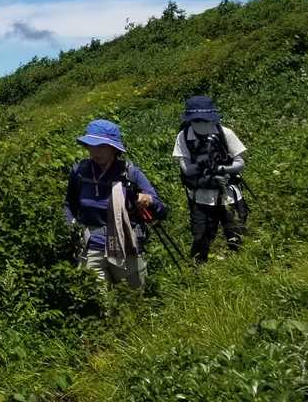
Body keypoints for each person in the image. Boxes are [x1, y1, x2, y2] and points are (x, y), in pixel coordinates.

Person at [64, 119, 160, 289]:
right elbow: (69, 204)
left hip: (126, 247)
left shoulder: (129, 173)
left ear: (114, 149)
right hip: (92, 247)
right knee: (96, 300)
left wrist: (148, 200)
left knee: (133, 298)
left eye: (101, 146)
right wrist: (70, 225)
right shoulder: (80, 171)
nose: (95, 151)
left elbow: (160, 207)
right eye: (91, 145)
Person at [173, 95, 247, 262]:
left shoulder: (224, 133)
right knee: (200, 238)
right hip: (201, 197)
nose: (201, 123)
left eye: (204, 119)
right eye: (197, 120)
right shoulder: (183, 137)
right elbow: (186, 170)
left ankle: (242, 265)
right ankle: (198, 268)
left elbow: (240, 162)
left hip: (229, 194)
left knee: (236, 234)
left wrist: (221, 168)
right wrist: (203, 165)